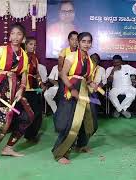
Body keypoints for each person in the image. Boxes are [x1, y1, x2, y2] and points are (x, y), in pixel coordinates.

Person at [0, 23, 34, 166]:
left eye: (19, 34)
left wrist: (22, 88)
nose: (15, 37)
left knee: (28, 117)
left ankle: (8, 148)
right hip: (0, 88)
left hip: (15, 91)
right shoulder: (1, 50)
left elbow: (24, 75)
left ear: (23, 38)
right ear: (9, 35)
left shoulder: (24, 56)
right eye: (13, 33)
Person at [52, 32, 98, 164]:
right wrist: (72, 89)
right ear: (78, 42)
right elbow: (63, 75)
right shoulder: (71, 56)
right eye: (83, 41)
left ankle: (81, 145)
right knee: (70, 122)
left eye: (89, 41)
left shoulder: (90, 60)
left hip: (84, 90)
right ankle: (61, 153)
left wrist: (93, 84)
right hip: (71, 90)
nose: (86, 44)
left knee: (90, 121)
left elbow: (88, 78)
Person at [23, 37, 46, 142]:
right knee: (25, 113)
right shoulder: (21, 56)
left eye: (35, 45)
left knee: (37, 112)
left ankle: (31, 135)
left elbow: (36, 73)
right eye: (31, 44)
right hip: (23, 88)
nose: (33, 46)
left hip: (34, 88)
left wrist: (41, 84)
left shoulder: (35, 58)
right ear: (26, 45)